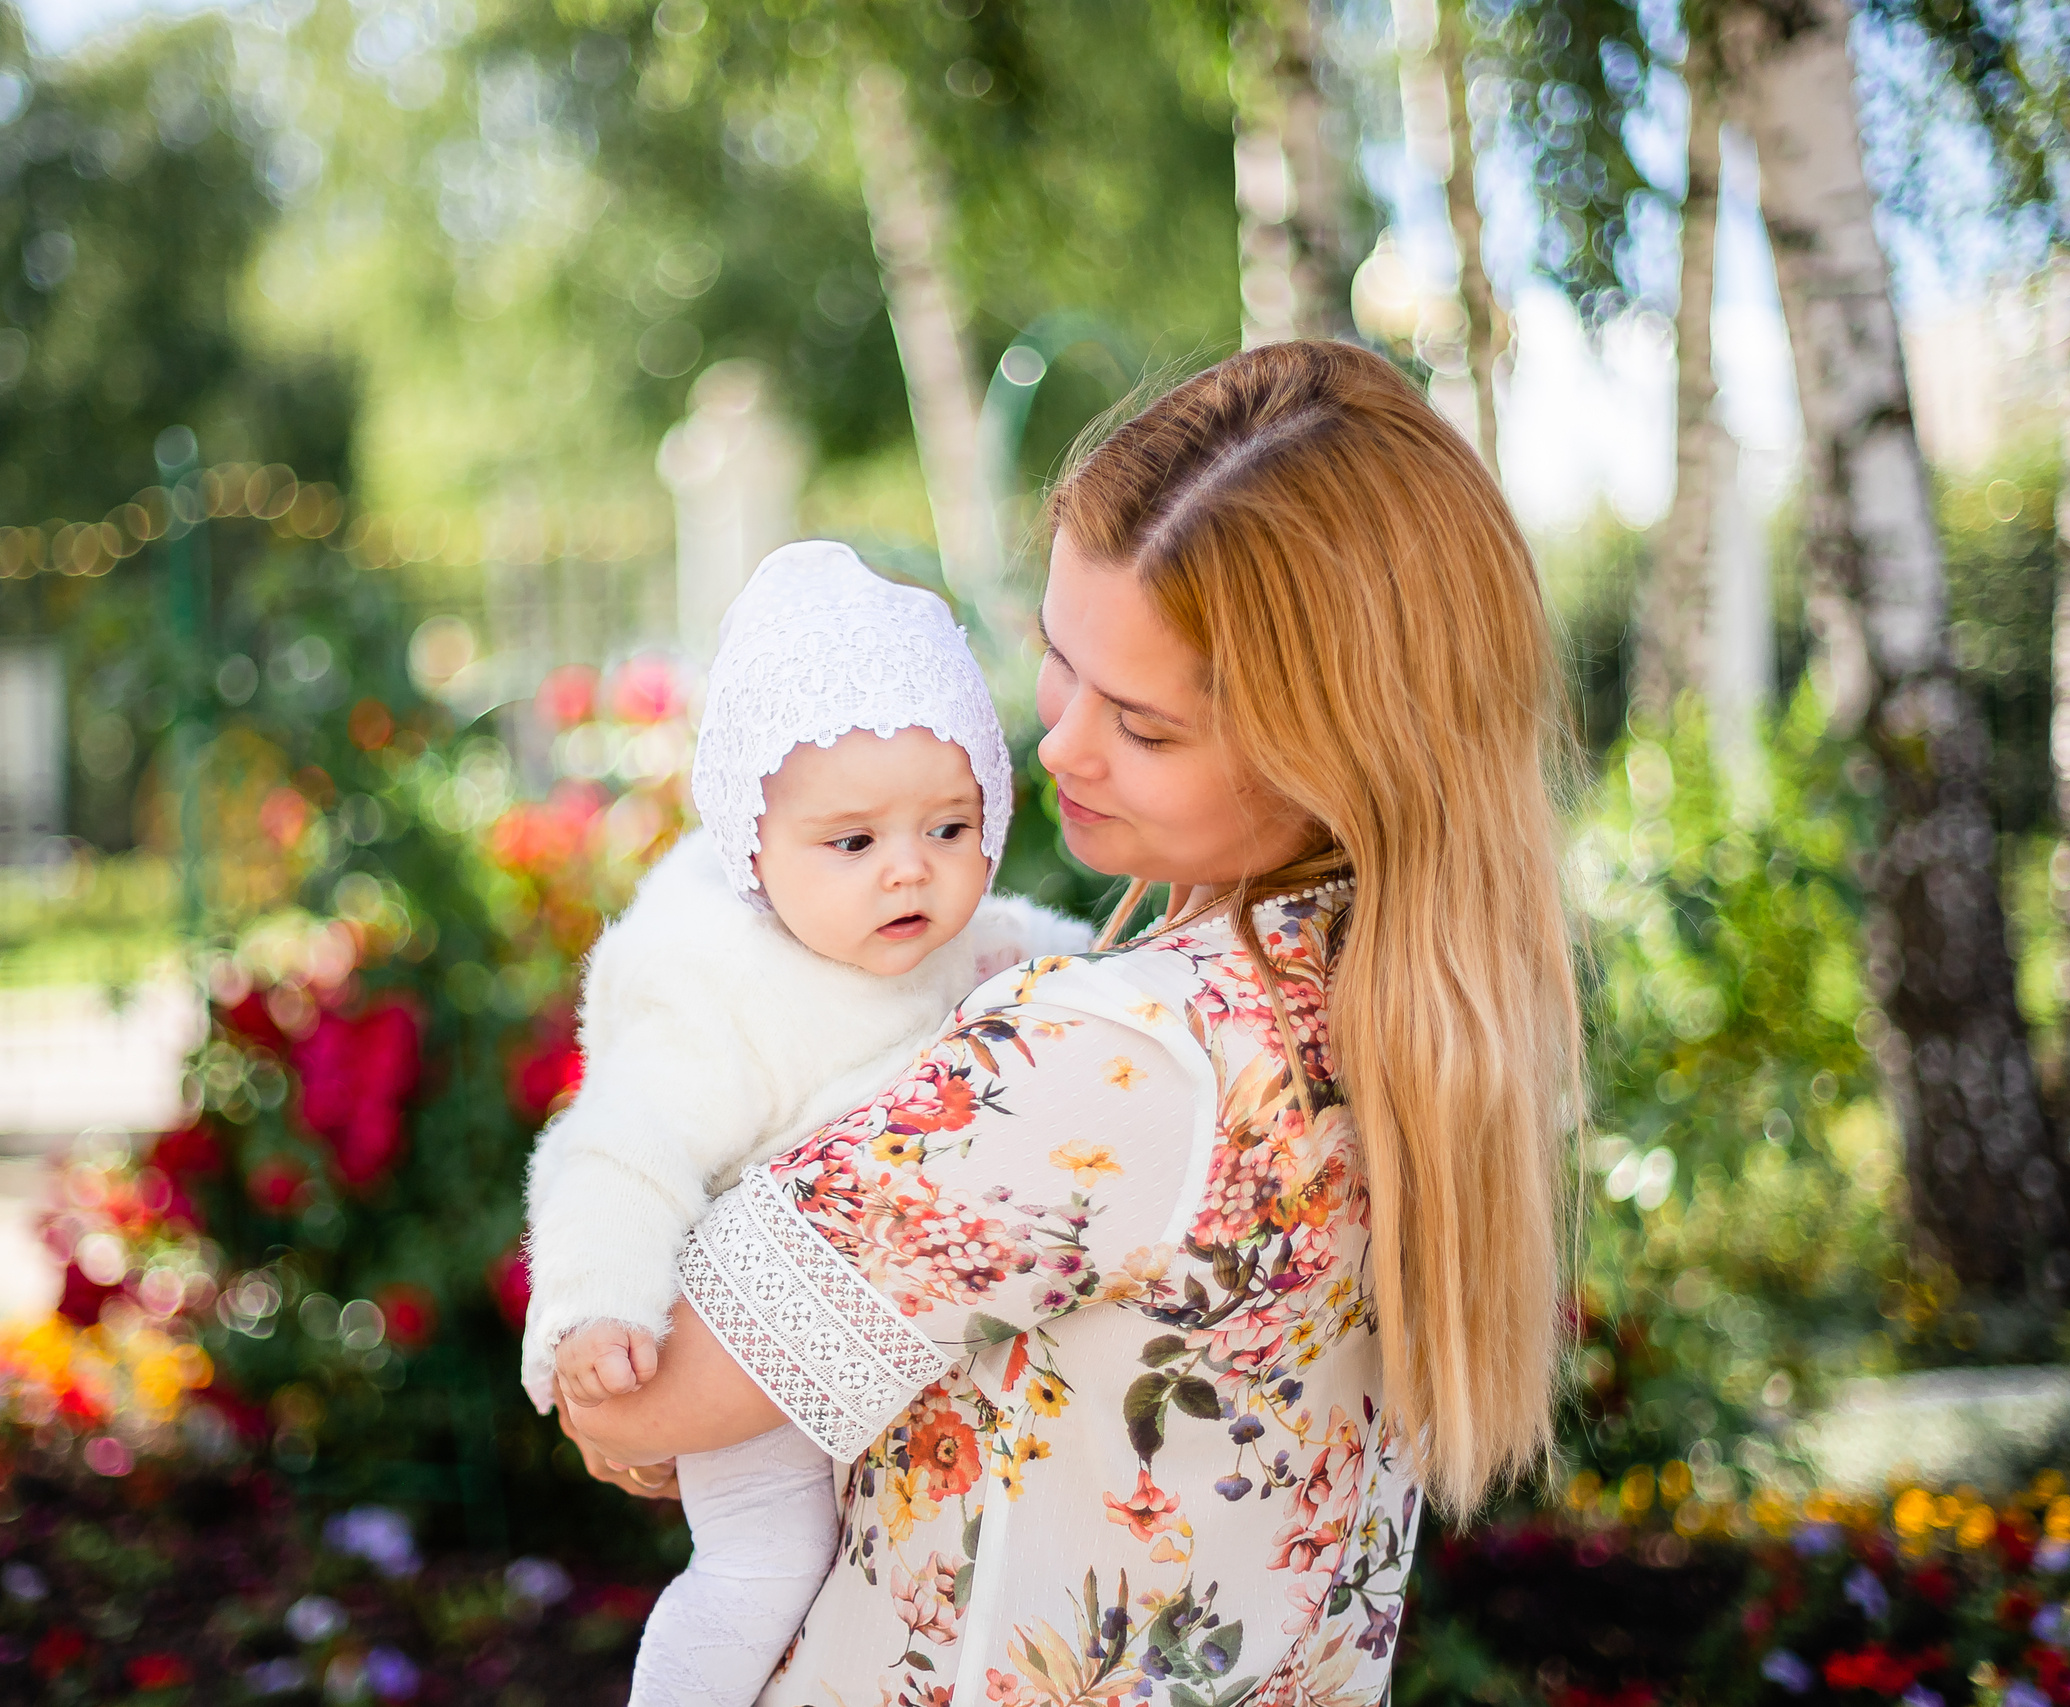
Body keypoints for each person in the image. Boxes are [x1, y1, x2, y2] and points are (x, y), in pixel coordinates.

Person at [563, 341, 1580, 1707]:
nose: (1061, 747)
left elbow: (636, 1396)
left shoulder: (1105, 1056)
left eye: (1147, 726)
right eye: (1057, 658)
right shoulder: (1421, 1002)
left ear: (1341, 747)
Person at [522, 539, 1091, 1707]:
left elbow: (1065, 976)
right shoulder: (720, 987)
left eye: (950, 827)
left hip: (873, 1362)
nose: (910, 874)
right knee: (761, 1566)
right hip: (735, 1327)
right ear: (751, 845)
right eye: (853, 842)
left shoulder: (960, 941)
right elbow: (615, 1149)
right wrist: (593, 1310)